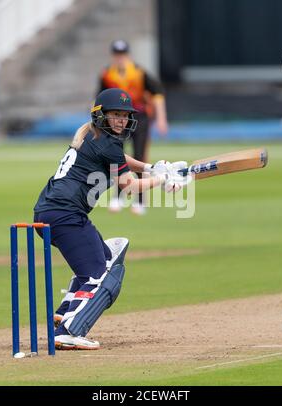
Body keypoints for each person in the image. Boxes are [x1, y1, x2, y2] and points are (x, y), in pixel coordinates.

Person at [33, 88, 182, 350]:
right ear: (101, 114)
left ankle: (66, 310)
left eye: (125, 115)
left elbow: (119, 160)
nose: (122, 121)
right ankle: (67, 330)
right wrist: (162, 180)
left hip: (52, 212)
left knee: (110, 256)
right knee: (100, 275)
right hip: (65, 215)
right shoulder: (108, 142)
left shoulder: (93, 135)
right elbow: (129, 186)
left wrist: (150, 168)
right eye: (116, 115)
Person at [97, 39, 169, 215]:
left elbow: (158, 93)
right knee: (116, 157)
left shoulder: (138, 72)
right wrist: (98, 122)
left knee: (140, 156)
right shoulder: (107, 74)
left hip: (139, 117)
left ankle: (140, 201)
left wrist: (161, 118)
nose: (120, 58)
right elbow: (99, 98)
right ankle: (118, 197)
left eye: (122, 54)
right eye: (117, 54)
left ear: (127, 55)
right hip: (115, 120)